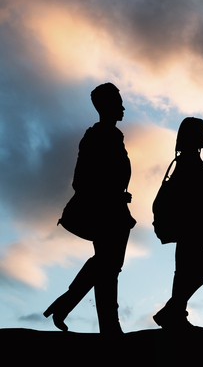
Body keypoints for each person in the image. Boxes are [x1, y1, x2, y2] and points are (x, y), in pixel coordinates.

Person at [45, 82, 136, 334]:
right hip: (105, 211)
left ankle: (67, 306)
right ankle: (108, 326)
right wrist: (107, 194)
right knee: (108, 267)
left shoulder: (113, 136)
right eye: (118, 102)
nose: (123, 107)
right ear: (106, 106)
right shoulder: (96, 136)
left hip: (115, 209)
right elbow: (80, 180)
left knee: (108, 265)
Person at [153, 117, 203, 328]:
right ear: (193, 136)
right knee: (195, 272)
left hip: (196, 225)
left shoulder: (189, 160)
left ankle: (174, 312)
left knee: (188, 272)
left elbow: (194, 192)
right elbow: (186, 195)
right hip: (190, 226)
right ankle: (173, 312)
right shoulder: (187, 162)